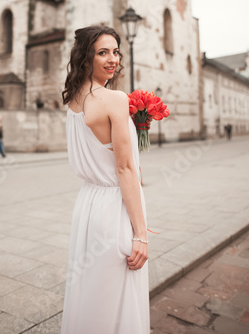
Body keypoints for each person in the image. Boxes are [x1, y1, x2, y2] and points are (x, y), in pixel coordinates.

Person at [61, 25, 150, 334]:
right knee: (117, 296)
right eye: (102, 53)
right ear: (86, 58)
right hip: (114, 206)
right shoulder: (113, 99)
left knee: (91, 293)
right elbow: (124, 169)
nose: (113, 59)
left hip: (87, 205)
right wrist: (140, 233)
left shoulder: (73, 99)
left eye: (115, 51)